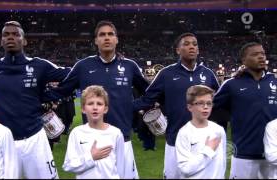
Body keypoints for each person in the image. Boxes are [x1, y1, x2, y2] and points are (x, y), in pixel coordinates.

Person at [0, 21, 70, 179]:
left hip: (35, 139)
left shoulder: (39, 65)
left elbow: (72, 75)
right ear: (1, 41)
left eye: (16, 34)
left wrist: (48, 95)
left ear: (24, 40)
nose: (10, 37)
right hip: (2, 142)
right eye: (6, 34)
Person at [54, 20, 149, 178]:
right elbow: (62, 90)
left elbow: (149, 92)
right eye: (102, 35)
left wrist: (132, 106)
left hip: (123, 139)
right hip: (91, 142)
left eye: (110, 34)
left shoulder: (130, 66)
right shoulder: (82, 66)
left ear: (116, 39)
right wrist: (35, 98)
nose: (107, 38)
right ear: (96, 40)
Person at [134, 32, 219, 178]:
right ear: (178, 50)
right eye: (186, 44)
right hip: (175, 140)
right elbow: (147, 99)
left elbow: (220, 100)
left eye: (194, 44)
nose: (191, 47)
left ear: (198, 50)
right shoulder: (166, 74)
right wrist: (119, 106)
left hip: (203, 141)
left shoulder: (208, 74)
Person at [212, 42, 277, 178]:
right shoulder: (231, 84)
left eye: (263, 54)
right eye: (255, 54)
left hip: (273, 157)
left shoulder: (274, 81)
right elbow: (210, 109)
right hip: (243, 156)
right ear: (244, 60)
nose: (261, 57)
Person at [63, 85, 125, 178]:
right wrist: (91, 157)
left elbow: (121, 167)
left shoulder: (116, 133)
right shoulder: (77, 133)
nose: (95, 107)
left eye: (99, 104)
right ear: (83, 109)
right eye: (90, 103)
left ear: (105, 109)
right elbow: (68, 165)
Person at [175, 85, 226, 178]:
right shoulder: (184, 133)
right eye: (200, 103)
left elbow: (222, 163)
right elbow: (185, 169)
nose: (205, 107)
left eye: (209, 103)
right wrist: (208, 150)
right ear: (190, 107)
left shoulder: (219, 130)